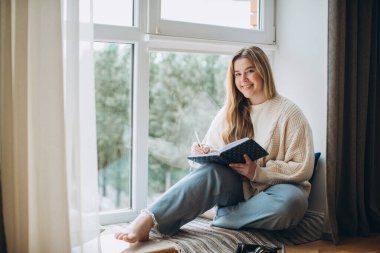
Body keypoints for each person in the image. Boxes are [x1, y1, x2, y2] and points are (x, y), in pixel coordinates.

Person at [115, 46, 314, 243]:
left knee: (293, 204)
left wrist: (258, 173)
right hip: (237, 189)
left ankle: (216, 214)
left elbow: (302, 168)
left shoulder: (289, 113)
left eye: (250, 71)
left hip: (276, 191)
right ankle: (147, 219)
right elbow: (206, 165)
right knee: (212, 172)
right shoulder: (230, 112)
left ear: (264, 71)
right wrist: (203, 152)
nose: (243, 80)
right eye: (237, 74)